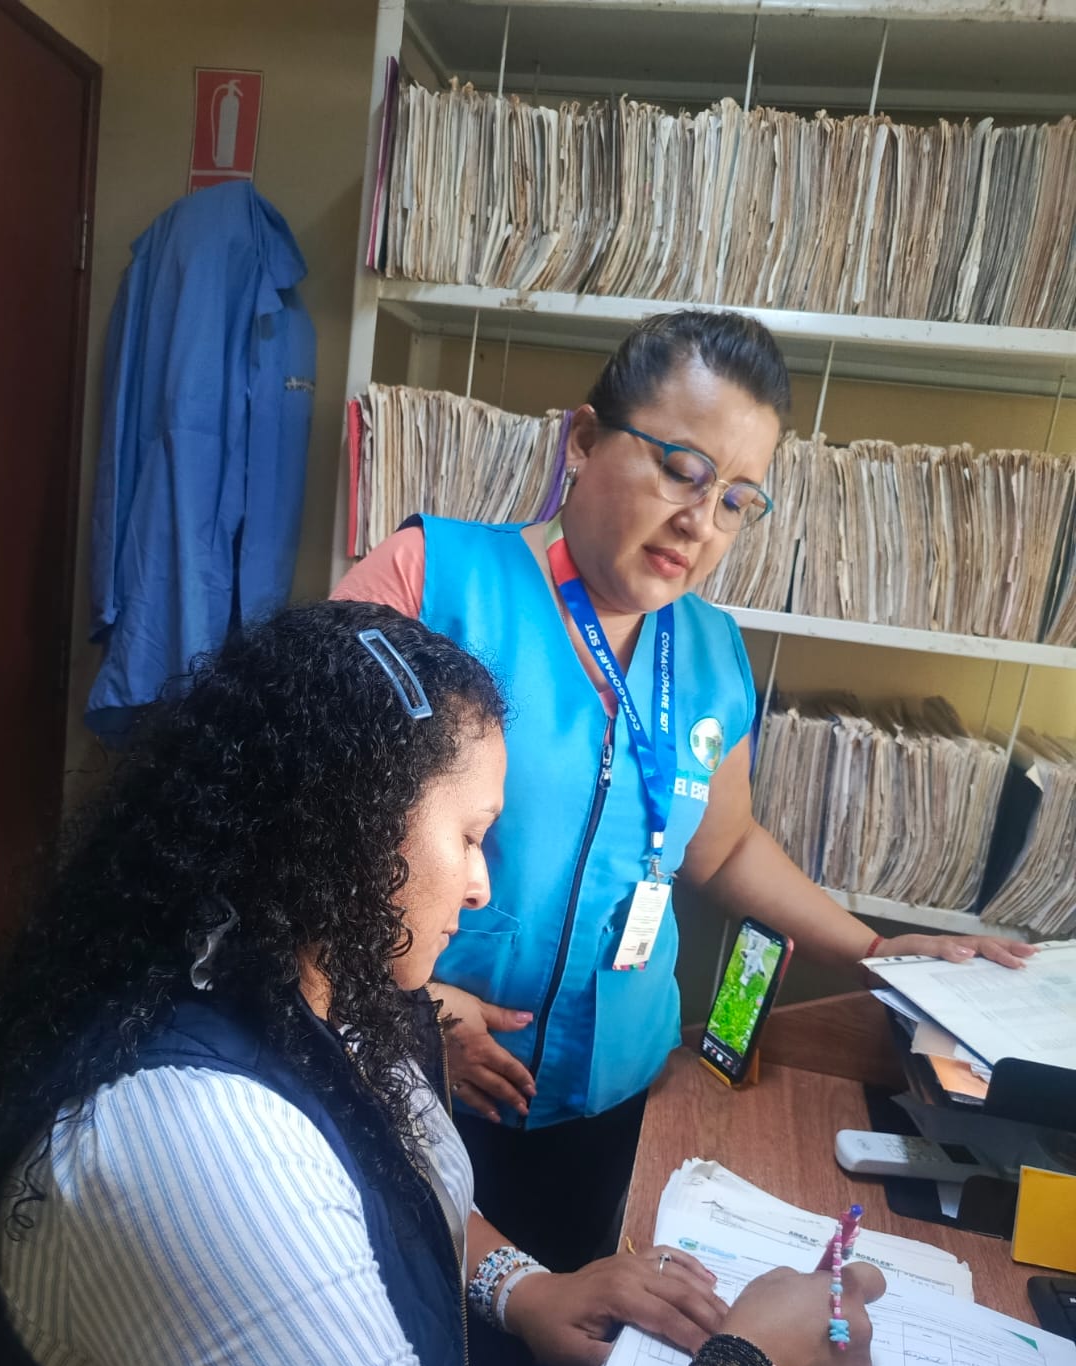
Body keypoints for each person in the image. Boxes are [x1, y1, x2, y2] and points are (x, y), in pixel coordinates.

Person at [0, 600, 881, 1366]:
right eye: (471, 835)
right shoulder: (190, 1138)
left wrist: (520, 1285)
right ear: (352, 824)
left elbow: (388, 1193)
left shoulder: (322, 986)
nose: (481, 885)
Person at [333, 310, 1033, 1270]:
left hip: (614, 1099)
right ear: (584, 441)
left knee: (570, 1329)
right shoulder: (432, 580)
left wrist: (875, 951)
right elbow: (295, 830)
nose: (701, 522)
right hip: (413, 1076)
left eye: (738, 500)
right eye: (682, 470)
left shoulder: (712, 652)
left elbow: (725, 844)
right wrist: (407, 1010)